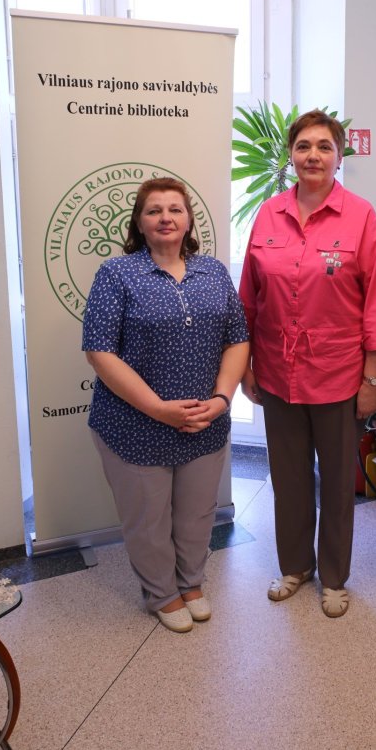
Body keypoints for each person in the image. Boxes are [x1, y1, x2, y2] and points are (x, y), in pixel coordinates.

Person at [239, 109, 376, 618]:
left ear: (339, 155)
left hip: (339, 374)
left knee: (337, 483)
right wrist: (245, 365)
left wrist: (372, 378)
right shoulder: (269, 214)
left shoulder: (361, 216)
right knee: (288, 477)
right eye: (304, 146)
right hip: (276, 372)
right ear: (290, 154)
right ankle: (295, 567)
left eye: (325, 146)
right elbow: (248, 299)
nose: (313, 155)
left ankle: (335, 577)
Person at [82, 177, 249, 633]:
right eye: (154, 210)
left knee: (197, 513)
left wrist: (222, 399)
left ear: (189, 220)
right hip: (133, 425)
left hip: (204, 422)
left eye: (175, 209)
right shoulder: (117, 274)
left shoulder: (213, 272)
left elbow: (238, 338)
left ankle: (191, 583)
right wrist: (159, 409)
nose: (165, 218)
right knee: (148, 518)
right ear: (139, 222)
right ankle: (161, 593)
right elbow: (99, 351)